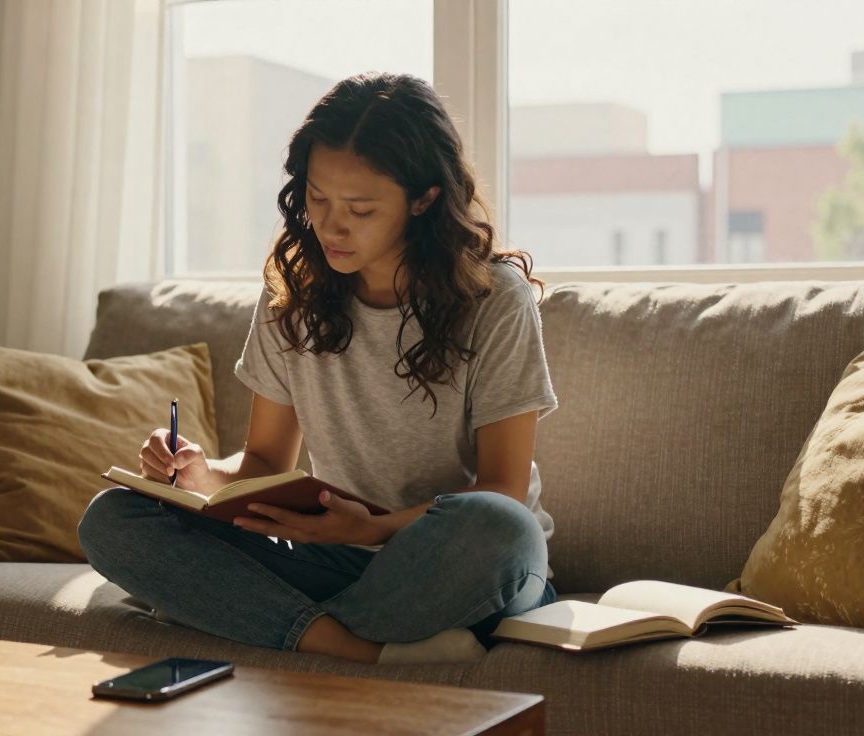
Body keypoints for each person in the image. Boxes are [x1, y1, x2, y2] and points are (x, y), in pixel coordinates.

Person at [78, 72, 558, 665]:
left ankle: (253, 617)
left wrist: (373, 529)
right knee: (114, 519)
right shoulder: (294, 296)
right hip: (334, 562)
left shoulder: (494, 299)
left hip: (457, 563)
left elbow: (503, 489)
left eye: (359, 209)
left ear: (424, 198)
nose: (331, 227)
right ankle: (354, 646)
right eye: (318, 198)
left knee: (498, 525)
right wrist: (199, 477)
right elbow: (264, 466)